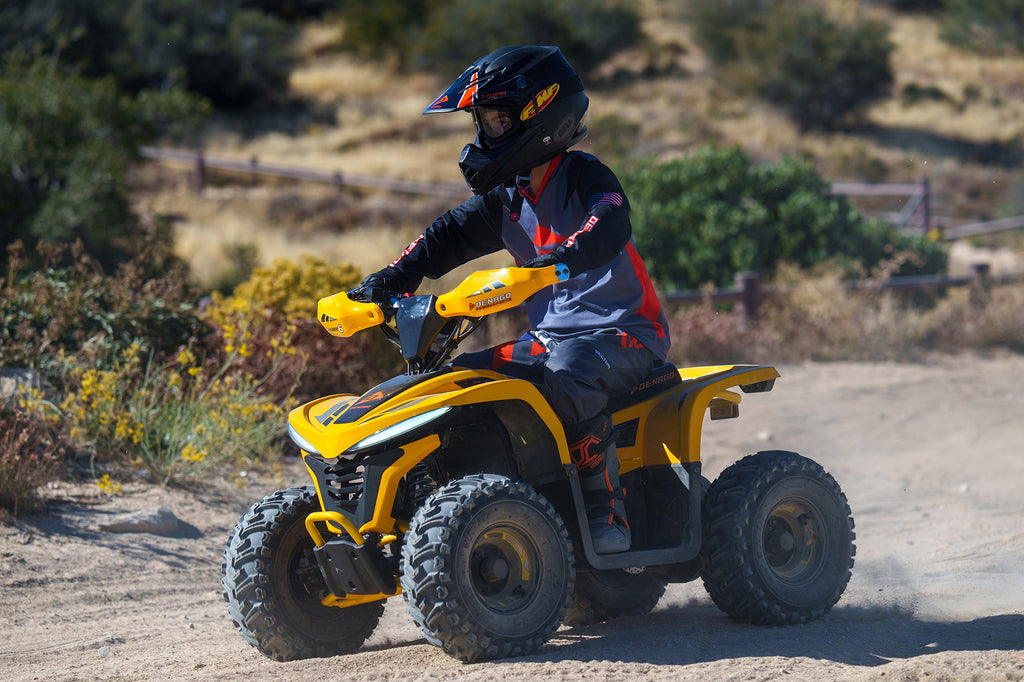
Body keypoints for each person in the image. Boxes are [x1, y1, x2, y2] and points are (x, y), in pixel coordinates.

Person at [348, 45, 670, 554]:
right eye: (483, 123)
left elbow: (609, 221)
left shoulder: (585, 176)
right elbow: (442, 240)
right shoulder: (508, 199)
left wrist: (559, 259)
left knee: (567, 375)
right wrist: (388, 279)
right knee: (457, 382)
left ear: (544, 116)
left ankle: (605, 507)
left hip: (623, 333)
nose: (485, 135)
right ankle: (480, 500)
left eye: (497, 121)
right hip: (546, 340)